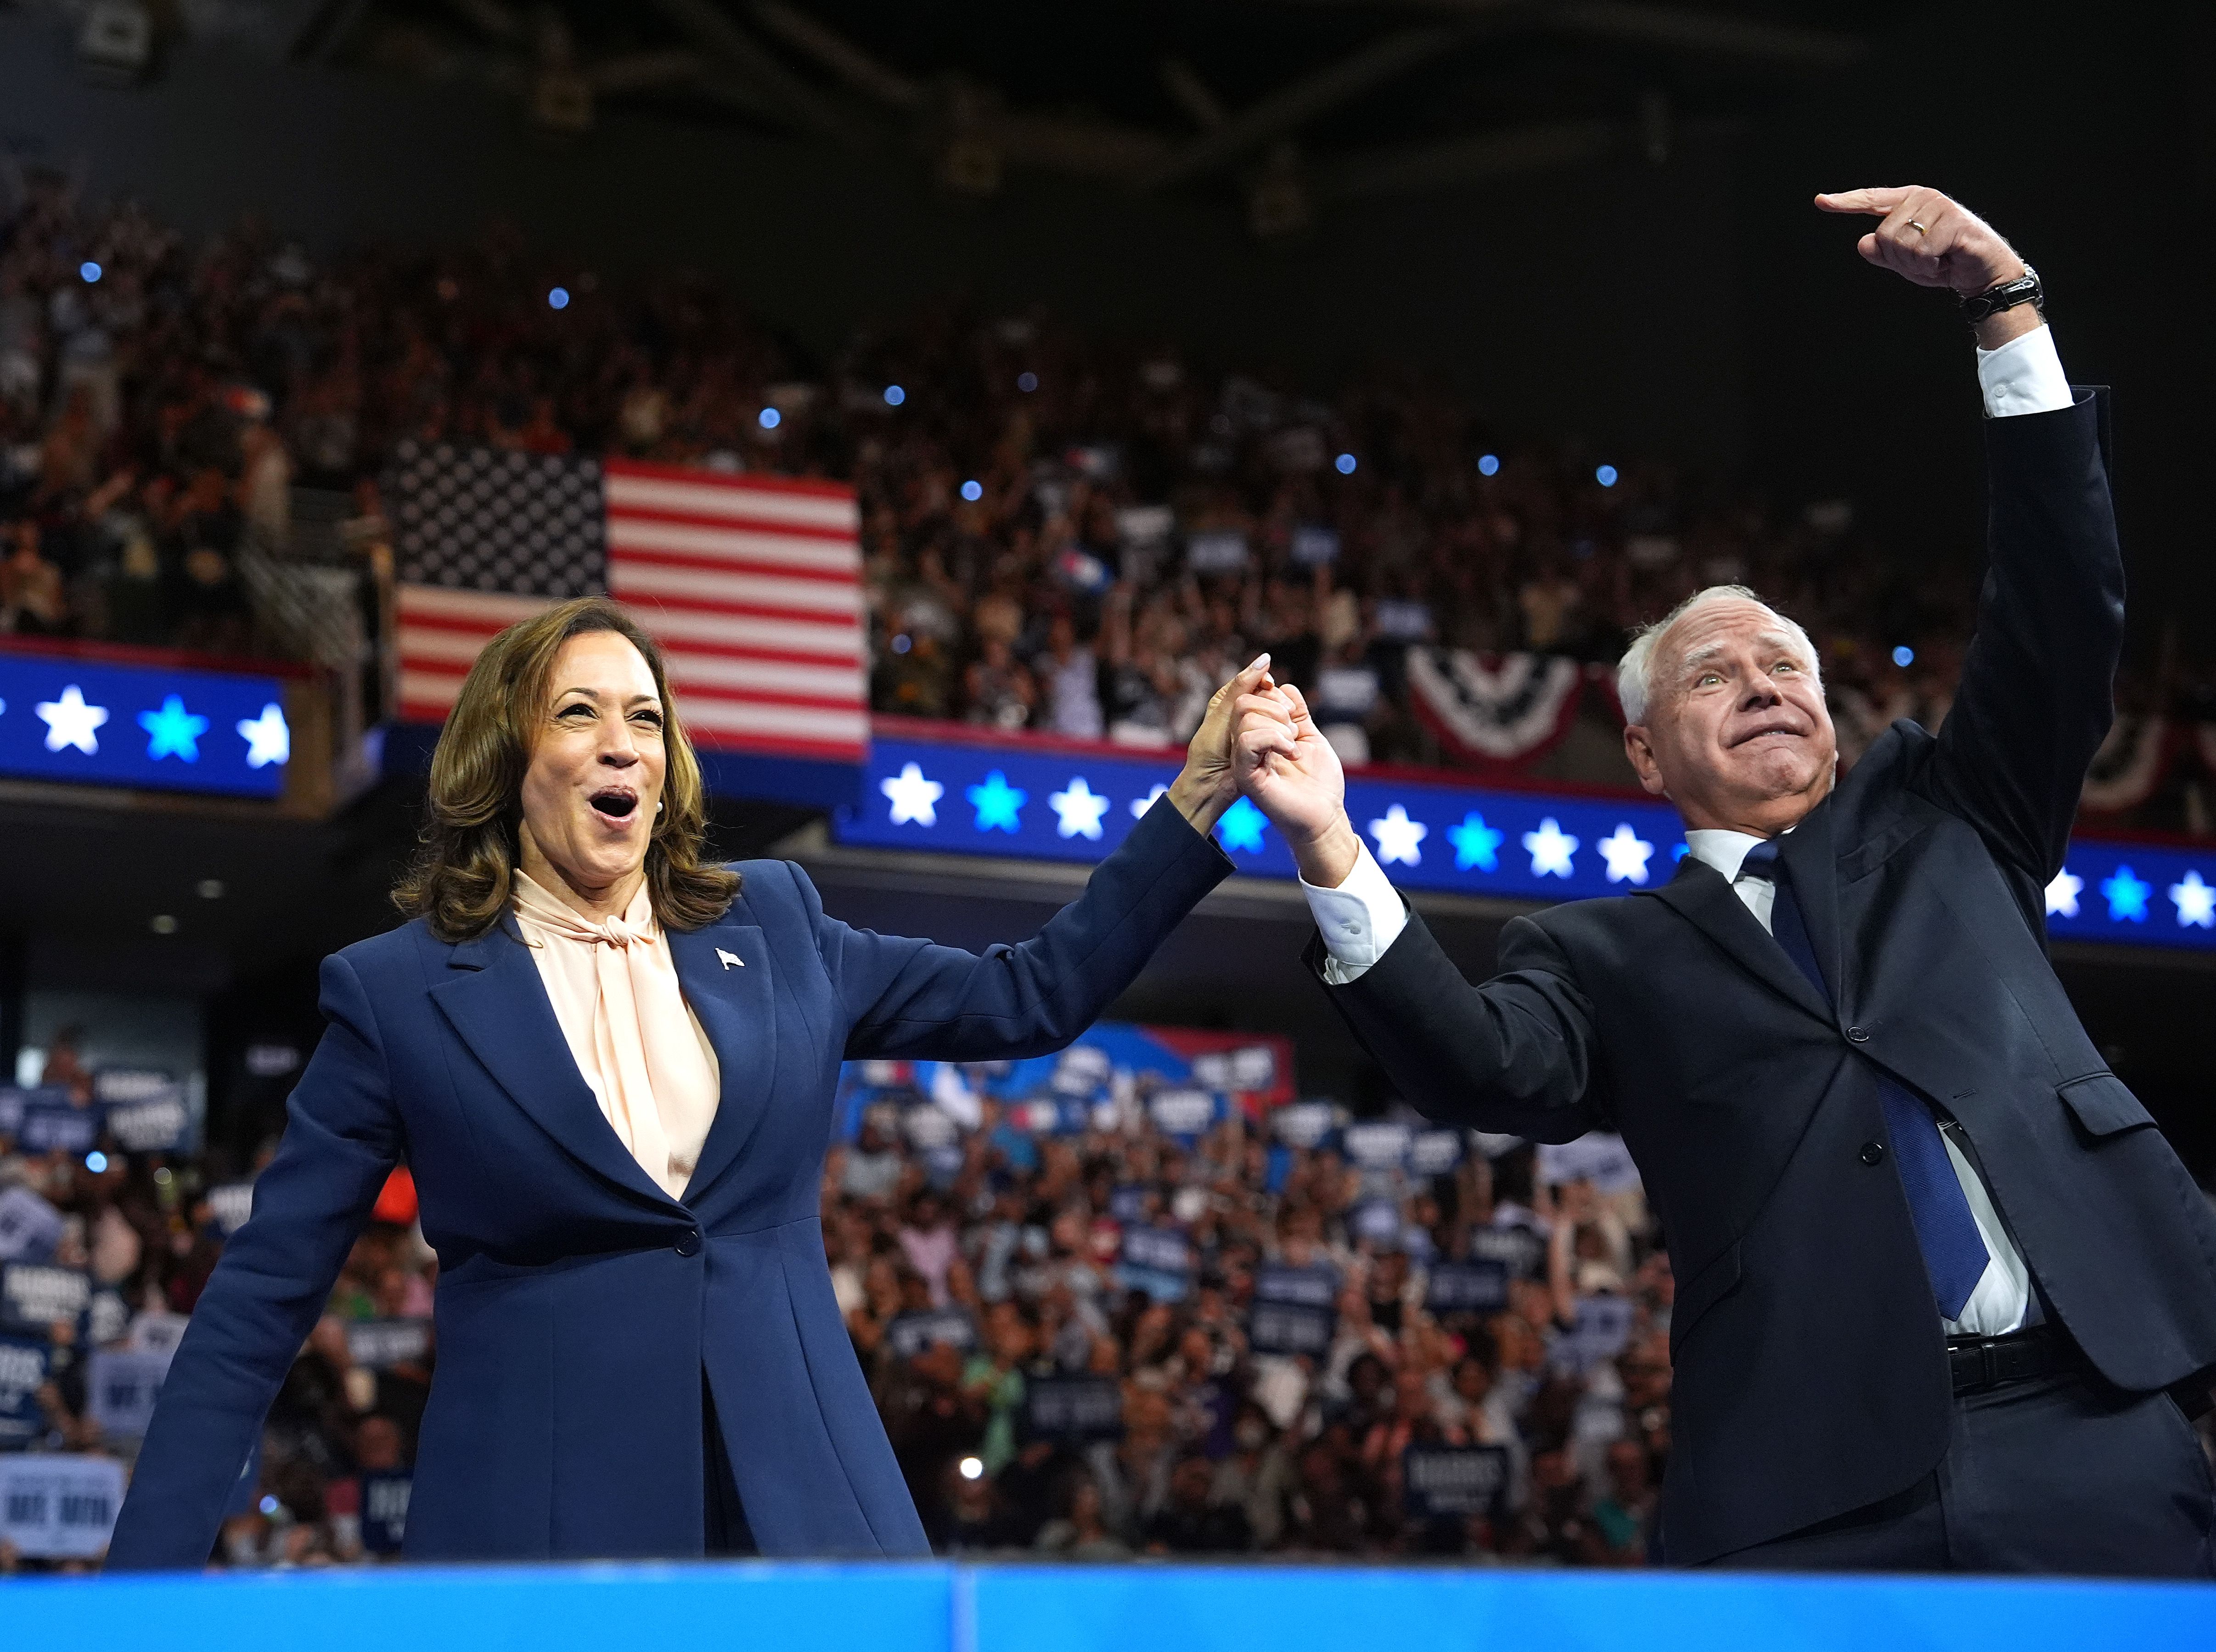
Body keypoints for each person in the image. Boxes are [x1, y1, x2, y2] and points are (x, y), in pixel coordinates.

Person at [1230, 185, 2216, 1574]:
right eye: (1714, 673)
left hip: (2094, 1417)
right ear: (1643, 748)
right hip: (1811, 1480)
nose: (1761, 683)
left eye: (1787, 667)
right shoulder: (1600, 954)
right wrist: (1331, 839)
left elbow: (2060, 604)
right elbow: (1477, 1066)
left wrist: (2007, 307)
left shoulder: (1951, 815)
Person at [109, 596, 1271, 1568]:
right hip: (543, 1537)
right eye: (578, 713)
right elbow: (256, 1307)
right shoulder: (396, 992)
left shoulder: (776, 921)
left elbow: (1029, 995)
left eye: (646, 718)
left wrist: (1192, 805)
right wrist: (135, 1598)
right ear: (506, 758)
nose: (622, 743)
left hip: (809, 1518)